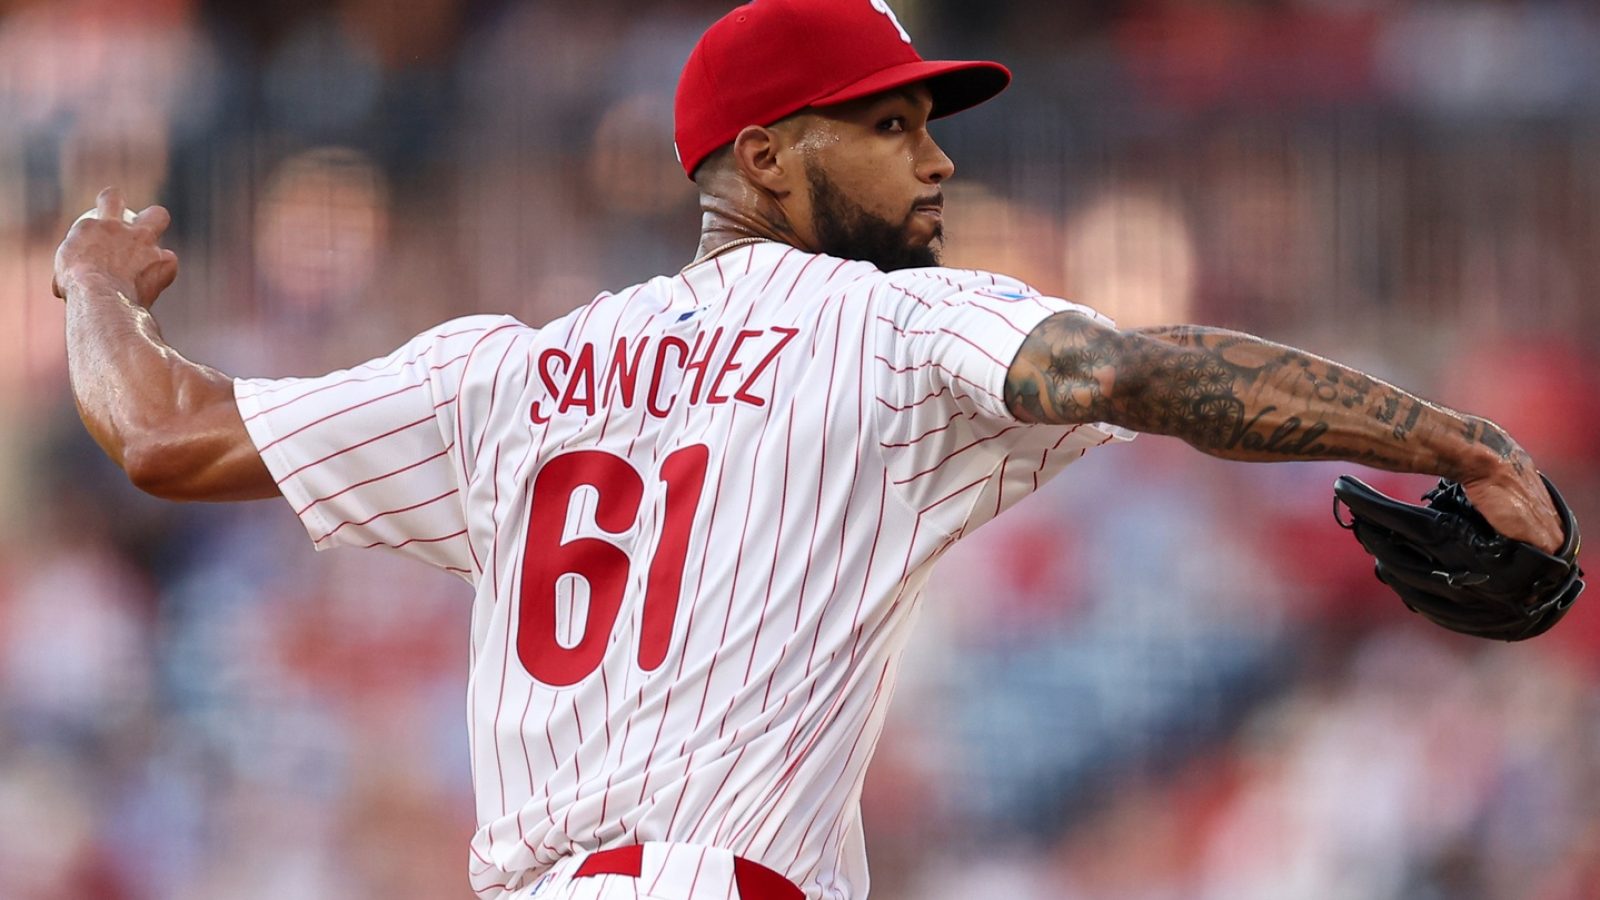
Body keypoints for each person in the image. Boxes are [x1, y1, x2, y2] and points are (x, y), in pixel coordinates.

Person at [52, 1, 1564, 898]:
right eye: (889, 127)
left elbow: (163, 431)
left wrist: (93, 287)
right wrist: (1462, 439)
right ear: (766, 157)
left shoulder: (507, 375)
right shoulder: (885, 326)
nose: (937, 158)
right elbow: (1124, 367)